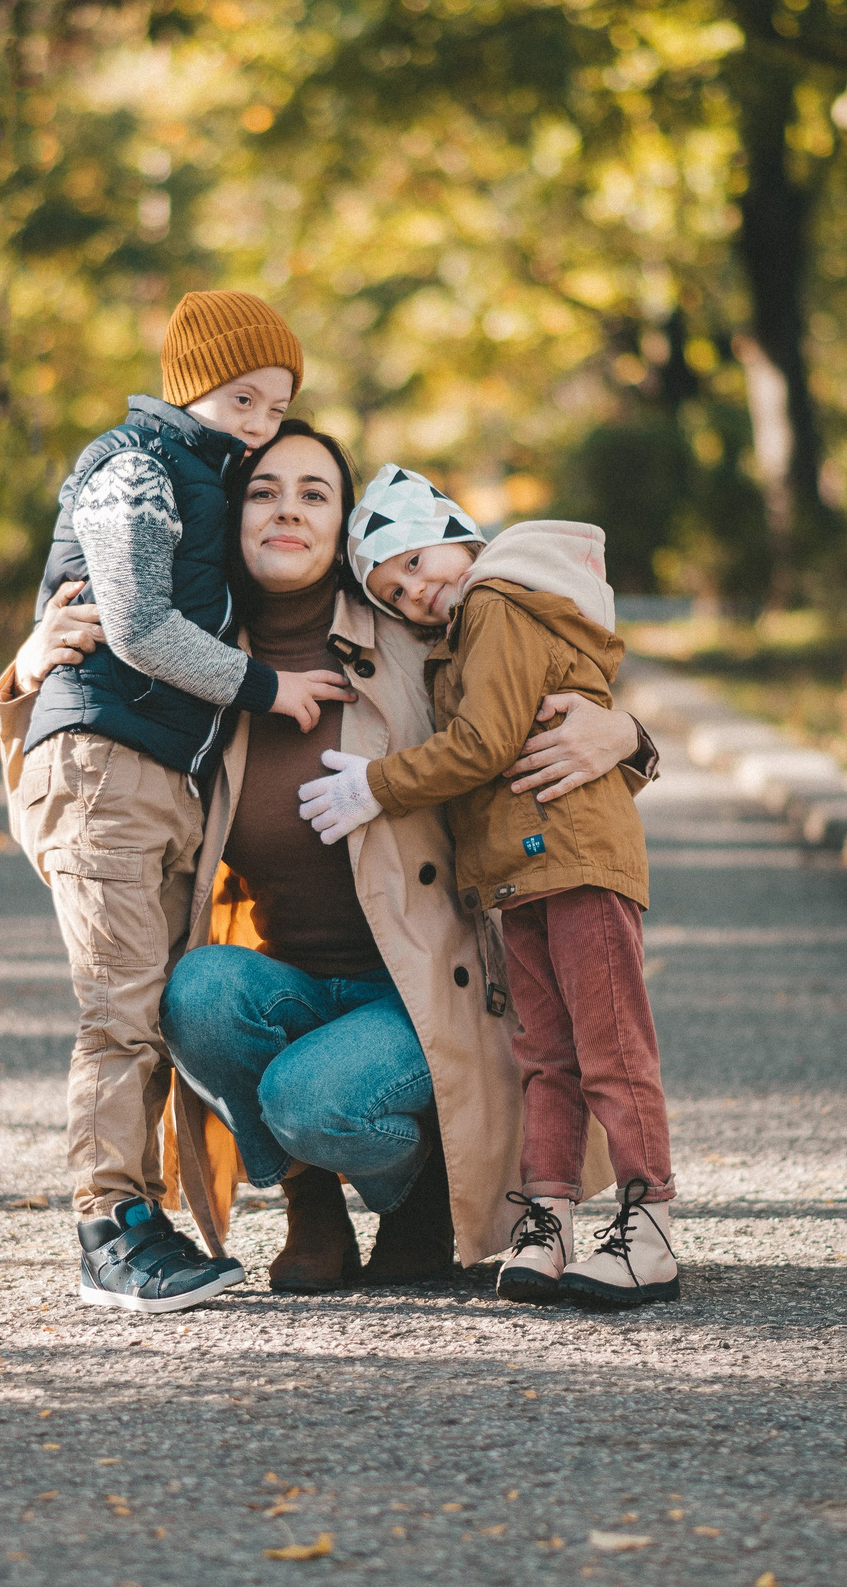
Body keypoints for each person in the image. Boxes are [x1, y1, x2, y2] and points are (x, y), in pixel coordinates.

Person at [3, 427, 656, 1293]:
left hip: (423, 992)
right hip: (292, 983)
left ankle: (421, 1188)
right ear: (231, 520)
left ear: (346, 530)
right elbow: (80, 786)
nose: (287, 509)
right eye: (265, 491)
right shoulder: (189, 660)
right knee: (194, 993)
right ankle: (316, 1207)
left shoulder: (418, 634)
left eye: (316, 493)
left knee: (309, 1100)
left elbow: (545, 689)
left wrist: (630, 738)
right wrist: (25, 670)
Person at [9, 291, 355, 1315]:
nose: (257, 421)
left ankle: (139, 1216)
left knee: (146, 1008)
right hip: (106, 767)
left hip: (156, 774)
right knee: (118, 1013)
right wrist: (267, 688)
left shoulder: (210, 480)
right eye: (242, 397)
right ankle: (109, 1229)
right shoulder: (137, 469)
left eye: (276, 404)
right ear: (185, 383)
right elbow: (137, 624)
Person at [298, 464, 679, 1309]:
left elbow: (485, 742)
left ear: (461, 534)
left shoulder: (498, 603)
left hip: (576, 857)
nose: (416, 588)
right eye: (395, 586)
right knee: (544, 1055)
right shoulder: (468, 627)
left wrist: (376, 784)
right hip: (520, 873)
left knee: (611, 1045)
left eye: (419, 559)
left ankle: (648, 1224)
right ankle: (544, 1218)